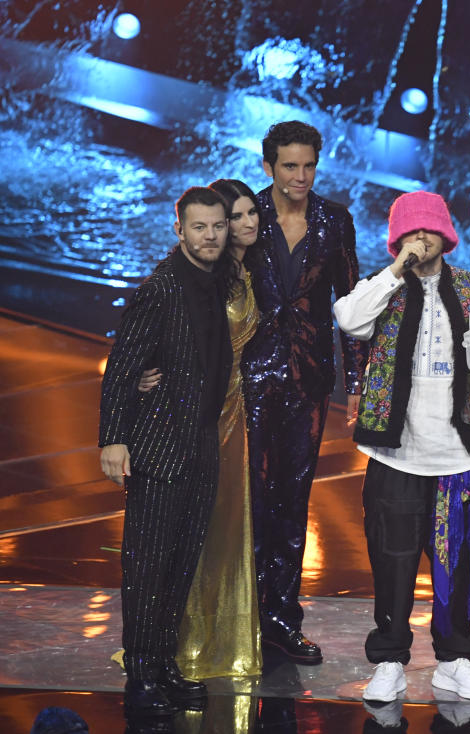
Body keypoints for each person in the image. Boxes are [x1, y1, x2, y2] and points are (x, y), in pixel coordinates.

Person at [333, 191, 470, 704]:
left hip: (459, 456)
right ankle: (389, 661)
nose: (421, 239)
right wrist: (395, 268)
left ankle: (454, 660)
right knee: (392, 561)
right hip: (397, 457)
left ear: (446, 235)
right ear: (397, 239)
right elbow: (348, 320)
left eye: (428, 231)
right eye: (410, 232)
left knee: (455, 564)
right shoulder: (383, 288)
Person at [99, 186, 232, 718]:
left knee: (180, 565)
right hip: (158, 446)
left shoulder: (219, 277)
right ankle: (142, 676)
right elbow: (122, 366)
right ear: (179, 229)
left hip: (201, 444)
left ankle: (164, 663)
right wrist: (113, 438)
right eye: (198, 227)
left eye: (217, 226)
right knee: (147, 567)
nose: (210, 236)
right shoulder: (160, 287)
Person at [244, 120, 368, 664]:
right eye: (289, 166)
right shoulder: (245, 215)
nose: (300, 176)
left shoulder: (334, 222)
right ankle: (237, 616)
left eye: (309, 166)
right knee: (244, 499)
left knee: (293, 501)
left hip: (308, 381)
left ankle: (280, 619)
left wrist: (359, 386)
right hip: (244, 376)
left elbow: (354, 308)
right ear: (268, 165)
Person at [135, 180, 265, 680]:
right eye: (236, 216)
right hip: (195, 414)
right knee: (191, 529)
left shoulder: (242, 271)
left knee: (226, 525)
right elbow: (158, 328)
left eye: (252, 213)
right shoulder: (198, 276)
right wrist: (150, 372)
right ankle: (179, 646)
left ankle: (221, 641)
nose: (247, 224)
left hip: (233, 411)